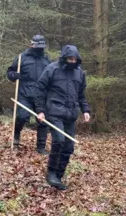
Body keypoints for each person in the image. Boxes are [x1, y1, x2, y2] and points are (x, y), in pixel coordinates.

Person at [35, 44, 91, 190]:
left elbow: (81, 95)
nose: (72, 61)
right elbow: (40, 89)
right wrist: (40, 110)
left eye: (74, 59)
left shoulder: (80, 73)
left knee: (69, 146)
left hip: (71, 114)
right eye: (69, 59)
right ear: (64, 58)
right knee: (59, 140)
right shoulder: (52, 69)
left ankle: (59, 174)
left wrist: (85, 110)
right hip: (54, 111)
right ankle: (51, 172)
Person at [7, 35, 51, 154]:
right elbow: (10, 72)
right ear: (31, 45)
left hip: (41, 95)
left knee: (42, 120)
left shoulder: (46, 60)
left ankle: (41, 147)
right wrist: (13, 75)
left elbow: (51, 77)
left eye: (41, 47)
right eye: (37, 46)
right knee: (22, 116)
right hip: (24, 94)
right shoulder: (22, 58)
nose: (39, 49)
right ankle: (16, 136)